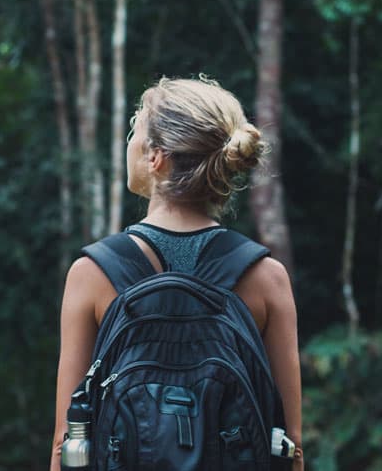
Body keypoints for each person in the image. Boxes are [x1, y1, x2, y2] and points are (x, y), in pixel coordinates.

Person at [50, 76, 304, 470]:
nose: (129, 141)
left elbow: (68, 442)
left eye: (136, 128)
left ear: (156, 157)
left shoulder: (93, 274)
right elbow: (287, 445)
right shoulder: (266, 277)